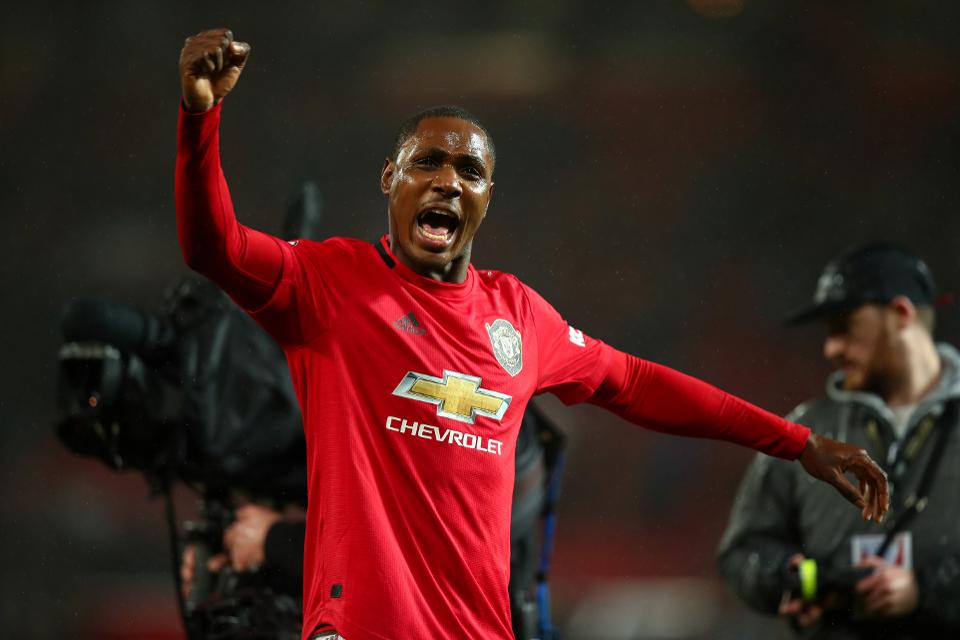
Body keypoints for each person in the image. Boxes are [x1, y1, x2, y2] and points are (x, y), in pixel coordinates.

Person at [175, 28, 889, 640]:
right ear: (389, 178)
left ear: (487, 198)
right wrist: (200, 116)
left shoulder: (518, 316)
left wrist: (796, 442)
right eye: (428, 162)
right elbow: (215, 246)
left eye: (470, 171)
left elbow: (637, 382)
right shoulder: (329, 282)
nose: (448, 181)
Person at [717, 243, 960, 638]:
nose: (830, 349)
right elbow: (741, 554)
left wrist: (927, 591)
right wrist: (787, 576)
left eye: (845, 328)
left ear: (901, 314)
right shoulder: (807, 433)